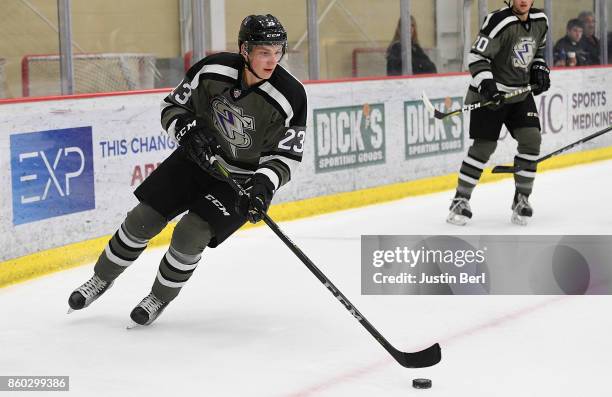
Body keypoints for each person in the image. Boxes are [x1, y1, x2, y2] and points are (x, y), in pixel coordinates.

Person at [67, 14, 307, 326]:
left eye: (278, 52)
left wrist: (263, 186)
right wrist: (187, 131)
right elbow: (172, 107)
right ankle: (101, 278)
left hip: (240, 180)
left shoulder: (291, 95)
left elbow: (285, 155)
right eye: (264, 52)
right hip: (195, 160)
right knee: (142, 219)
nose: (272, 61)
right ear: (245, 50)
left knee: (190, 235)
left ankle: (158, 297)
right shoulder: (212, 69)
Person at [447, 0, 550, 226]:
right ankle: (459, 199)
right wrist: (488, 86)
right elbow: (476, 57)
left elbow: (537, 51)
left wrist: (540, 68)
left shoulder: (541, 21)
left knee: (531, 139)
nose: (523, 0)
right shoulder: (498, 21)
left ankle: (522, 198)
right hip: (489, 95)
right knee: (484, 147)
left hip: (520, 94)